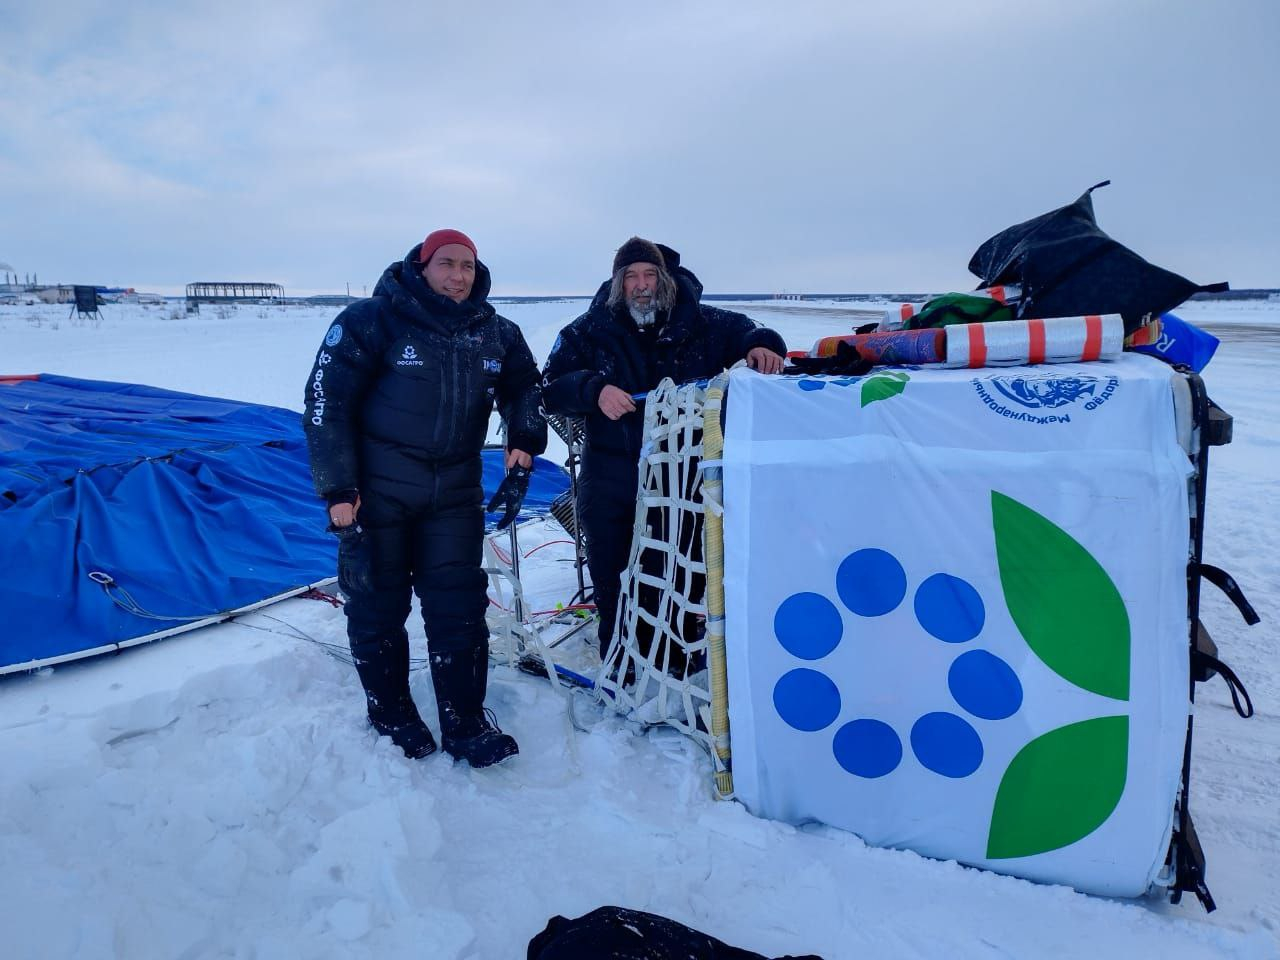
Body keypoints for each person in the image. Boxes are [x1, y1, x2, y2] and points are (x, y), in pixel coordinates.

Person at [303, 229, 546, 766]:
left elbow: (525, 387)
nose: (457, 276)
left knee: (458, 608)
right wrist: (338, 490)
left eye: (467, 266)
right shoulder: (370, 320)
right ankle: (391, 714)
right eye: (446, 264)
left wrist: (524, 444)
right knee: (377, 606)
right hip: (376, 493)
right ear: (421, 265)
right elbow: (326, 405)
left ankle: (465, 722)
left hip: (454, 494)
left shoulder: (496, 332)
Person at [542, 237, 786, 664]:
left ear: (665, 279)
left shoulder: (702, 322)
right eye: (632, 277)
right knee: (612, 568)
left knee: (680, 566)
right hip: (611, 470)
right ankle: (620, 658)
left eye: (650, 275)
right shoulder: (589, 329)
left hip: (682, 474)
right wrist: (593, 389)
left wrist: (763, 345)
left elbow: (751, 332)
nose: (642, 286)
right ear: (618, 282)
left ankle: (678, 657)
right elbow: (551, 387)